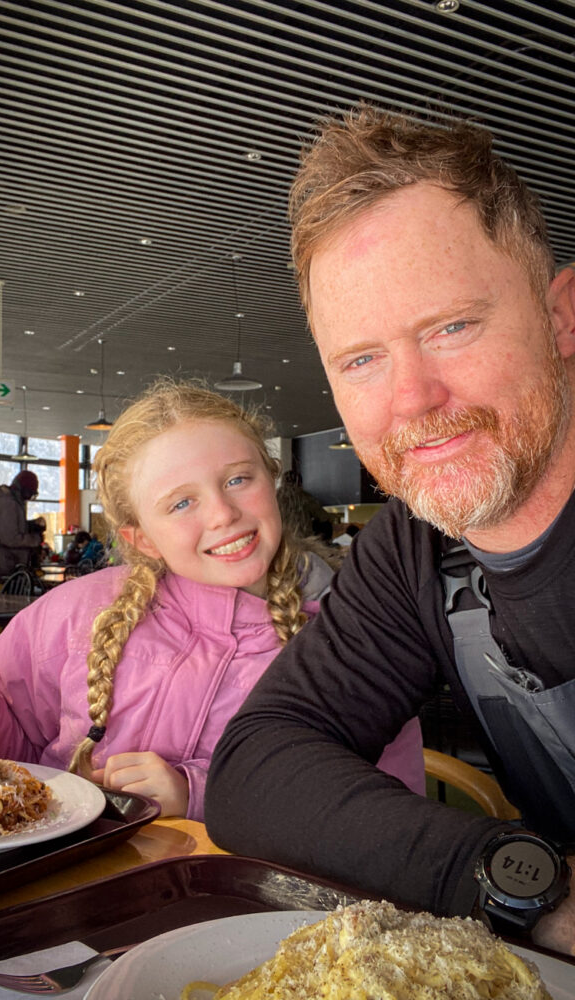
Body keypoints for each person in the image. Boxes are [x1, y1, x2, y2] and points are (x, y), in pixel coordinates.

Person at [205, 106, 575, 955]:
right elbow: (258, 766)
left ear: (561, 316)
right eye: (361, 359)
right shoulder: (413, 550)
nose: (411, 400)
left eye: (451, 327)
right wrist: (519, 881)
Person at [0, 380, 423, 820]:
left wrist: (200, 797)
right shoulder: (69, 616)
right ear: (140, 537)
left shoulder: (354, 640)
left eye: (238, 479)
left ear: (272, 480)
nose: (222, 514)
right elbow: (11, 769)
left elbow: (382, 811)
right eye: (181, 501)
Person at [0, 469, 45, 584]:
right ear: (23, 489)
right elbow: (10, 538)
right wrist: (35, 539)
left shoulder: (8, 501)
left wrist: (32, 524)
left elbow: (12, 528)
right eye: (29, 493)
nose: (28, 498)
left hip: (4, 567)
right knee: (5, 602)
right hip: (6, 569)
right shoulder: (8, 503)